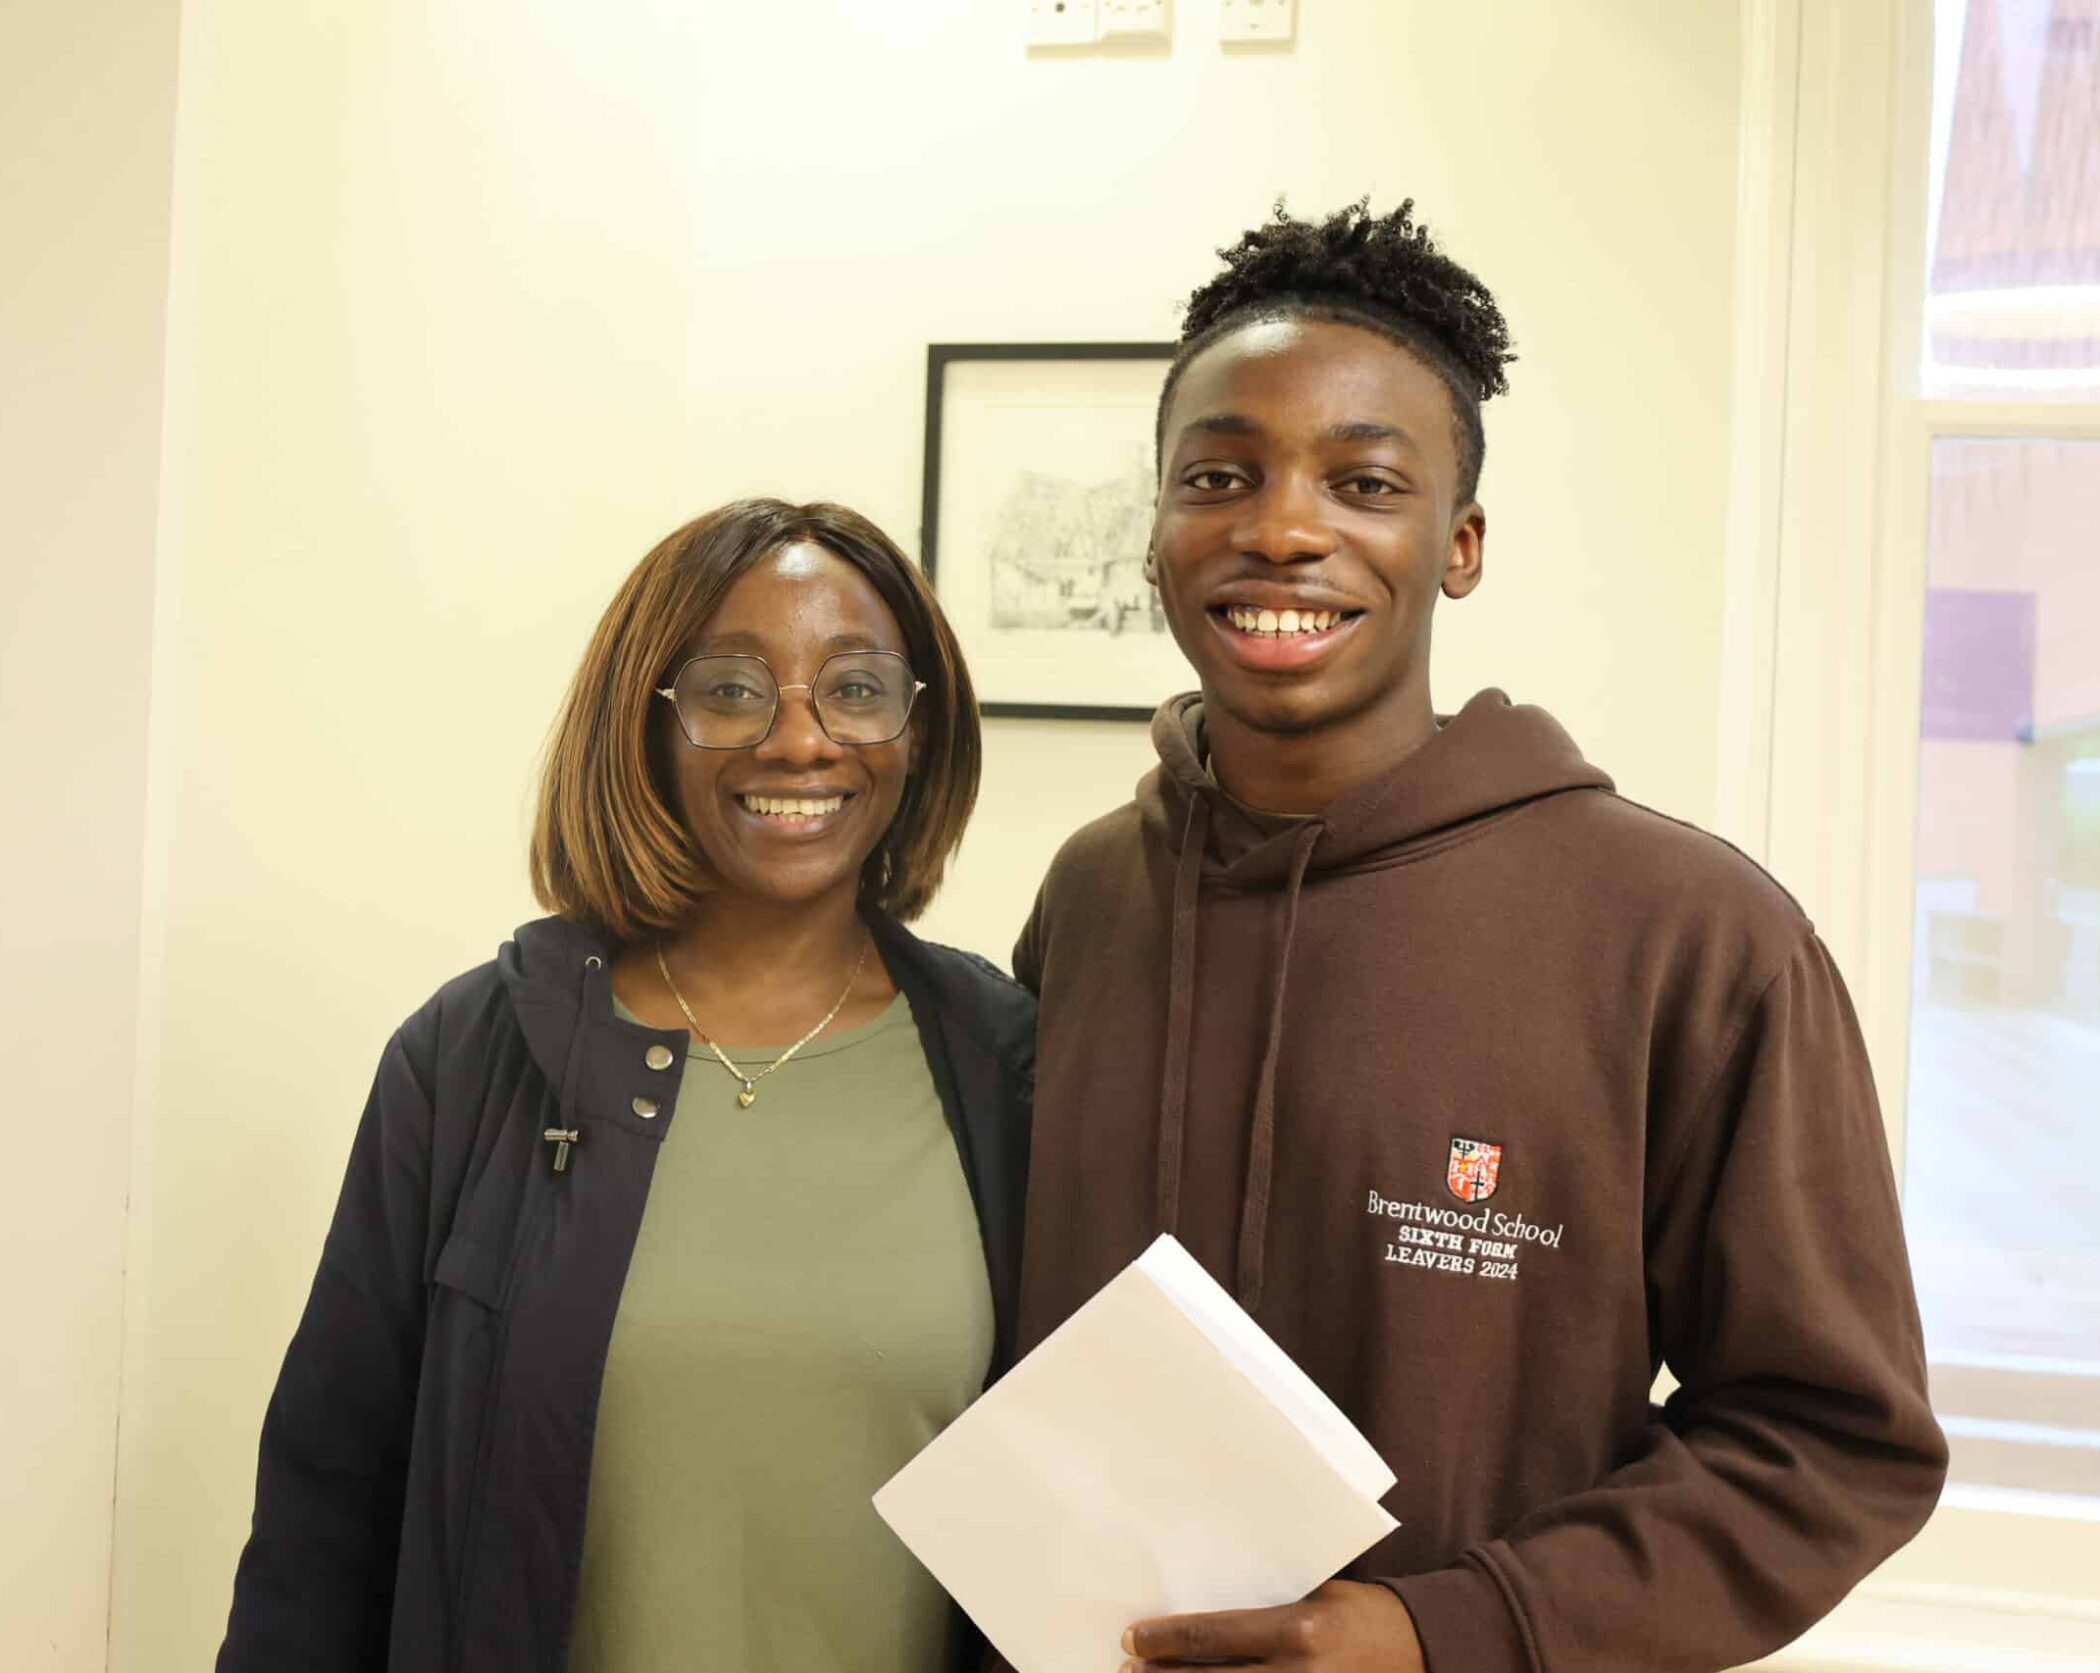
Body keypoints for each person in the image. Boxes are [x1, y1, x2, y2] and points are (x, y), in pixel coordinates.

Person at [1011, 203, 1947, 1673]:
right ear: (1155, 537)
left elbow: (1836, 1441)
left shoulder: (1693, 940)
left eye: (1363, 479)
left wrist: (1445, 1632)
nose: (1282, 527)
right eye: (1220, 476)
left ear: (1458, 544)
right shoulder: (1092, 901)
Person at [218, 499, 1034, 1673]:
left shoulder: (1008, 1066)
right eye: (731, 689)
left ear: (919, 728)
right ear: (645, 722)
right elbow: (324, 1513)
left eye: (856, 688)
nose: (799, 740)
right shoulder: (468, 1058)